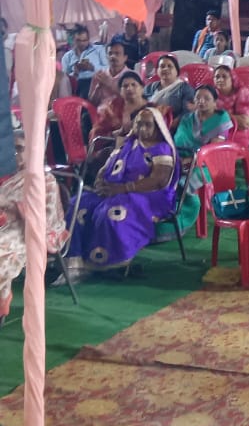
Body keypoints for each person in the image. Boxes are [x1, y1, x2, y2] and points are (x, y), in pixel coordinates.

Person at [64, 107, 179, 272]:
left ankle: (103, 262)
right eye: (139, 124)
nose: (142, 129)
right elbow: (106, 168)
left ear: (157, 127)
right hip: (113, 190)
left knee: (109, 215)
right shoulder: (128, 144)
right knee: (76, 206)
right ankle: (74, 261)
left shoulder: (161, 149)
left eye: (148, 125)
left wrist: (123, 188)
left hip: (148, 196)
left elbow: (158, 181)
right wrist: (100, 182)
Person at [0, 130, 68, 319]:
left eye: (20, 149)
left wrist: (12, 205)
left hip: (25, 233)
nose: (15, 154)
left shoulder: (45, 181)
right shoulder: (7, 177)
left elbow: (43, 221)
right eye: (11, 149)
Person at [173, 85, 233, 160]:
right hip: (180, 157)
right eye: (197, 98)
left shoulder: (221, 118)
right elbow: (179, 141)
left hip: (208, 160)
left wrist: (193, 159)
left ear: (215, 102)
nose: (201, 101)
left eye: (207, 98)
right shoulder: (187, 119)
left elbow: (214, 148)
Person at [212, 64, 249, 147]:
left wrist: (223, 114)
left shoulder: (243, 93)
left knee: (212, 140)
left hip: (236, 132)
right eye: (217, 77)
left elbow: (245, 123)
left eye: (224, 77)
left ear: (232, 78)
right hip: (215, 129)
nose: (220, 80)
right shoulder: (212, 93)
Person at [143, 55, 195, 123]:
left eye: (170, 66)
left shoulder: (185, 89)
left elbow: (187, 112)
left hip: (175, 127)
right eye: (162, 66)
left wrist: (170, 125)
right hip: (149, 124)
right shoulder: (150, 87)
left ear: (177, 71)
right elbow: (141, 105)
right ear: (157, 71)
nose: (165, 69)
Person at [60, 24, 108, 98]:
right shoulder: (67, 57)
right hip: (77, 85)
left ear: (88, 39)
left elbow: (108, 69)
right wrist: (75, 73)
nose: (82, 43)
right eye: (78, 41)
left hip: (97, 82)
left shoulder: (99, 50)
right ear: (73, 40)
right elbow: (65, 78)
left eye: (84, 40)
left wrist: (92, 68)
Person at [87, 41, 130, 107]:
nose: (113, 56)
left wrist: (109, 84)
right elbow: (91, 103)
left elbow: (132, 100)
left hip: (124, 112)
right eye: (110, 53)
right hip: (102, 112)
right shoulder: (99, 75)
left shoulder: (132, 76)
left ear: (125, 57)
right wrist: (98, 88)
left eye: (117, 53)